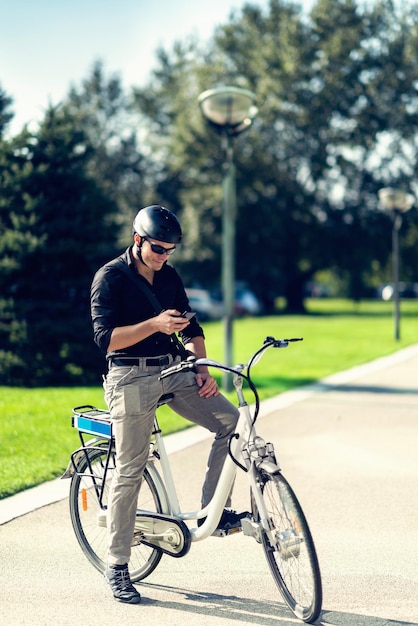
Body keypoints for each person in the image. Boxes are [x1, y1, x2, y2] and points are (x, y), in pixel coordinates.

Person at [90, 205, 244, 605]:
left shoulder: (169, 276)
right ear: (138, 240)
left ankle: (216, 510)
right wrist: (155, 324)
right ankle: (118, 564)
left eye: (169, 250)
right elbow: (106, 340)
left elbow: (192, 327)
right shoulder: (110, 277)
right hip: (129, 376)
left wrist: (201, 367)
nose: (163, 256)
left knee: (230, 420)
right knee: (131, 467)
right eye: (158, 248)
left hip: (174, 369)